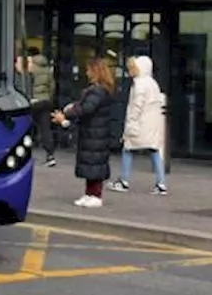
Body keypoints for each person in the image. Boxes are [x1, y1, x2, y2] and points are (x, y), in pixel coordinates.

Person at [51, 57, 116, 207]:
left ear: (95, 71)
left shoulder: (98, 91)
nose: (86, 73)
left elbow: (86, 109)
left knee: (94, 163)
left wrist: (67, 114)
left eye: (88, 70)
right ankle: (89, 193)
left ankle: (96, 195)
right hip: (93, 132)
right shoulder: (100, 90)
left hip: (95, 133)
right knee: (91, 163)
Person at [109, 55, 167, 196]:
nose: (131, 70)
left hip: (140, 123)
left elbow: (136, 106)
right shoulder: (153, 83)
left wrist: (131, 122)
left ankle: (124, 180)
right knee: (154, 151)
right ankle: (161, 183)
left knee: (128, 149)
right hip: (153, 124)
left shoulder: (139, 84)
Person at [25, 48, 57, 167]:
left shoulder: (30, 66)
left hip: (33, 101)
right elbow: (52, 86)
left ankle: (25, 153)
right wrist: (49, 98)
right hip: (45, 101)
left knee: (25, 127)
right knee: (45, 129)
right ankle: (50, 155)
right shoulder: (48, 69)